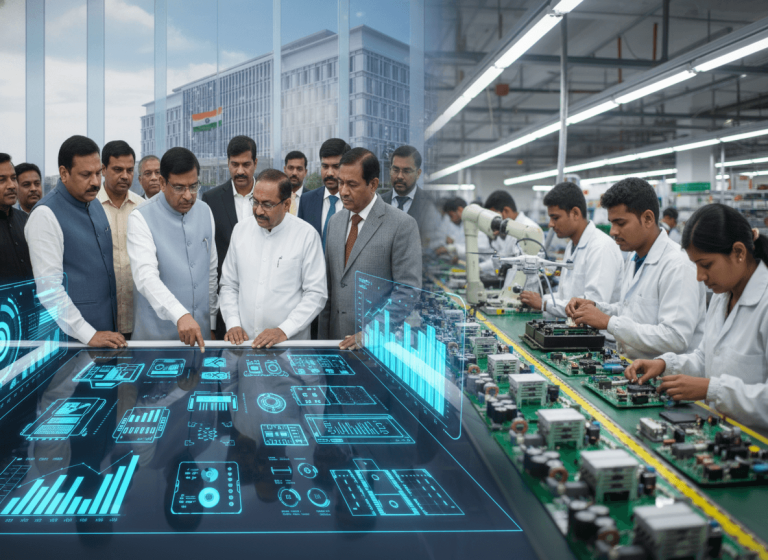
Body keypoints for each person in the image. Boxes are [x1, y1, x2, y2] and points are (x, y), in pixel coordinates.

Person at [625, 204, 768, 432]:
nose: (700, 277)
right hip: (721, 431)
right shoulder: (723, 296)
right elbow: (706, 358)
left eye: (706, 265)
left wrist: (711, 390)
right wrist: (665, 364)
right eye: (695, 266)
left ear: (739, 253)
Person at [566, 177, 705, 359]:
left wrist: (608, 322)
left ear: (647, 218)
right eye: (611, 223)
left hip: (666, 380)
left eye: (620, 223)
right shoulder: (634, 257)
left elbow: (676, 338)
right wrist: (595, 308)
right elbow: (629, 312)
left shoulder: (678, 265)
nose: (613, 231)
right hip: (633, 372)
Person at [25, 136, 124, 348]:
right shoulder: (45, 215)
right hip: (71, 344)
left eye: (98, 173)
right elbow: (49, 290)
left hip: (106, 338)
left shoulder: (94, 204)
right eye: (86, 175)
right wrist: (88, 334)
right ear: (64, 173)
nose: (96, 182)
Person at [318, 148, 422, 347]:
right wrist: (323, 342)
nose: (343, 191)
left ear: (373, 184)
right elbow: (330, 288)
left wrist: (372, 333)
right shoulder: (335, 222)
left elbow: (407, 290)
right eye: (341, 182)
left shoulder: (401, 225)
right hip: (335, 342)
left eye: (352, 184)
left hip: (376, 346)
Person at [220, 169, 326, 348]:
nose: (259, 211)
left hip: (290, 346)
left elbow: (316, 294)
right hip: (245, 344)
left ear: (286, 205)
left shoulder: (306, 235)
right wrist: (233, 324)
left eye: (267, 204)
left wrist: (283, 330)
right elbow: (229, 285)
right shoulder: (240, 231)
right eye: (255, 202)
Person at [127, 147, 218, 348]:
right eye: (179, 188)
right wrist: (180, 314)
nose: (188, 195)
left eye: (194, 186)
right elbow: (145, 277)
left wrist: (211, 321)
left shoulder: (205, 211)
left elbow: (210, 272)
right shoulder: (140, 217)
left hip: (200, 339)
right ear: (162, 183)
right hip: (155, 342)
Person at [520, 182, 623, 316]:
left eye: (555, 218)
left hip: (600, 335)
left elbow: (592, 305)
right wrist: (535, 299)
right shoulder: (572, 245)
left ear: (575, 213)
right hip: (575, 330)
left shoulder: (601, 247)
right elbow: (566, 297)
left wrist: (544, 304)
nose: (551, 224)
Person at [202, 135, 258, 339]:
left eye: (246, 164)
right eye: (234, 164)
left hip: (264, 295)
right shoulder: (211, 199)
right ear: (228, 163)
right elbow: (209, 256)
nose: (240, 171)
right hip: (226, 298)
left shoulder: (270, 197)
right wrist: (212, 318)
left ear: (255, 163)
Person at [96, 140, 144, 341]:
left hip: (138, 316)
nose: (125, 176)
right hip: (100, 319)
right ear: (103, 169)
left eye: (130, 170)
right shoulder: (89, 207)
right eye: (118, 169)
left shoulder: (143, 208)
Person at [381, 145, 443, 250]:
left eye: (406, 171)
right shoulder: (380, 202)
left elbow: (434, 245)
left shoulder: (429, 204)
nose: (399, 176)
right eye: (395, 170)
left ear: (418, 174)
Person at [297, 138, 350, 250]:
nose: (329, 173)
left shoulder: (356, 202)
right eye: (325, 166)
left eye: (336, 167)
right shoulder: (306, 200)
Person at [481, 190, 543, 273]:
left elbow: (525, 265)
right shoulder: (508, 231)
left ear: (506, 211)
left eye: (495, 218)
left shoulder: (530, 229)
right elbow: (501, 259)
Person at [0, 154, 33, 284]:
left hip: (31, 302)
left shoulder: (26, 220)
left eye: (13, 178)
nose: (12, 185)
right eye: (2, 180)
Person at [284, 150, 308, 216]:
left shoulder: (313, 199)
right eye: (291, 168)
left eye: (299, 169)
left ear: (305, 172)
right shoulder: (277, 196)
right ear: (285, 170)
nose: (294, 173)